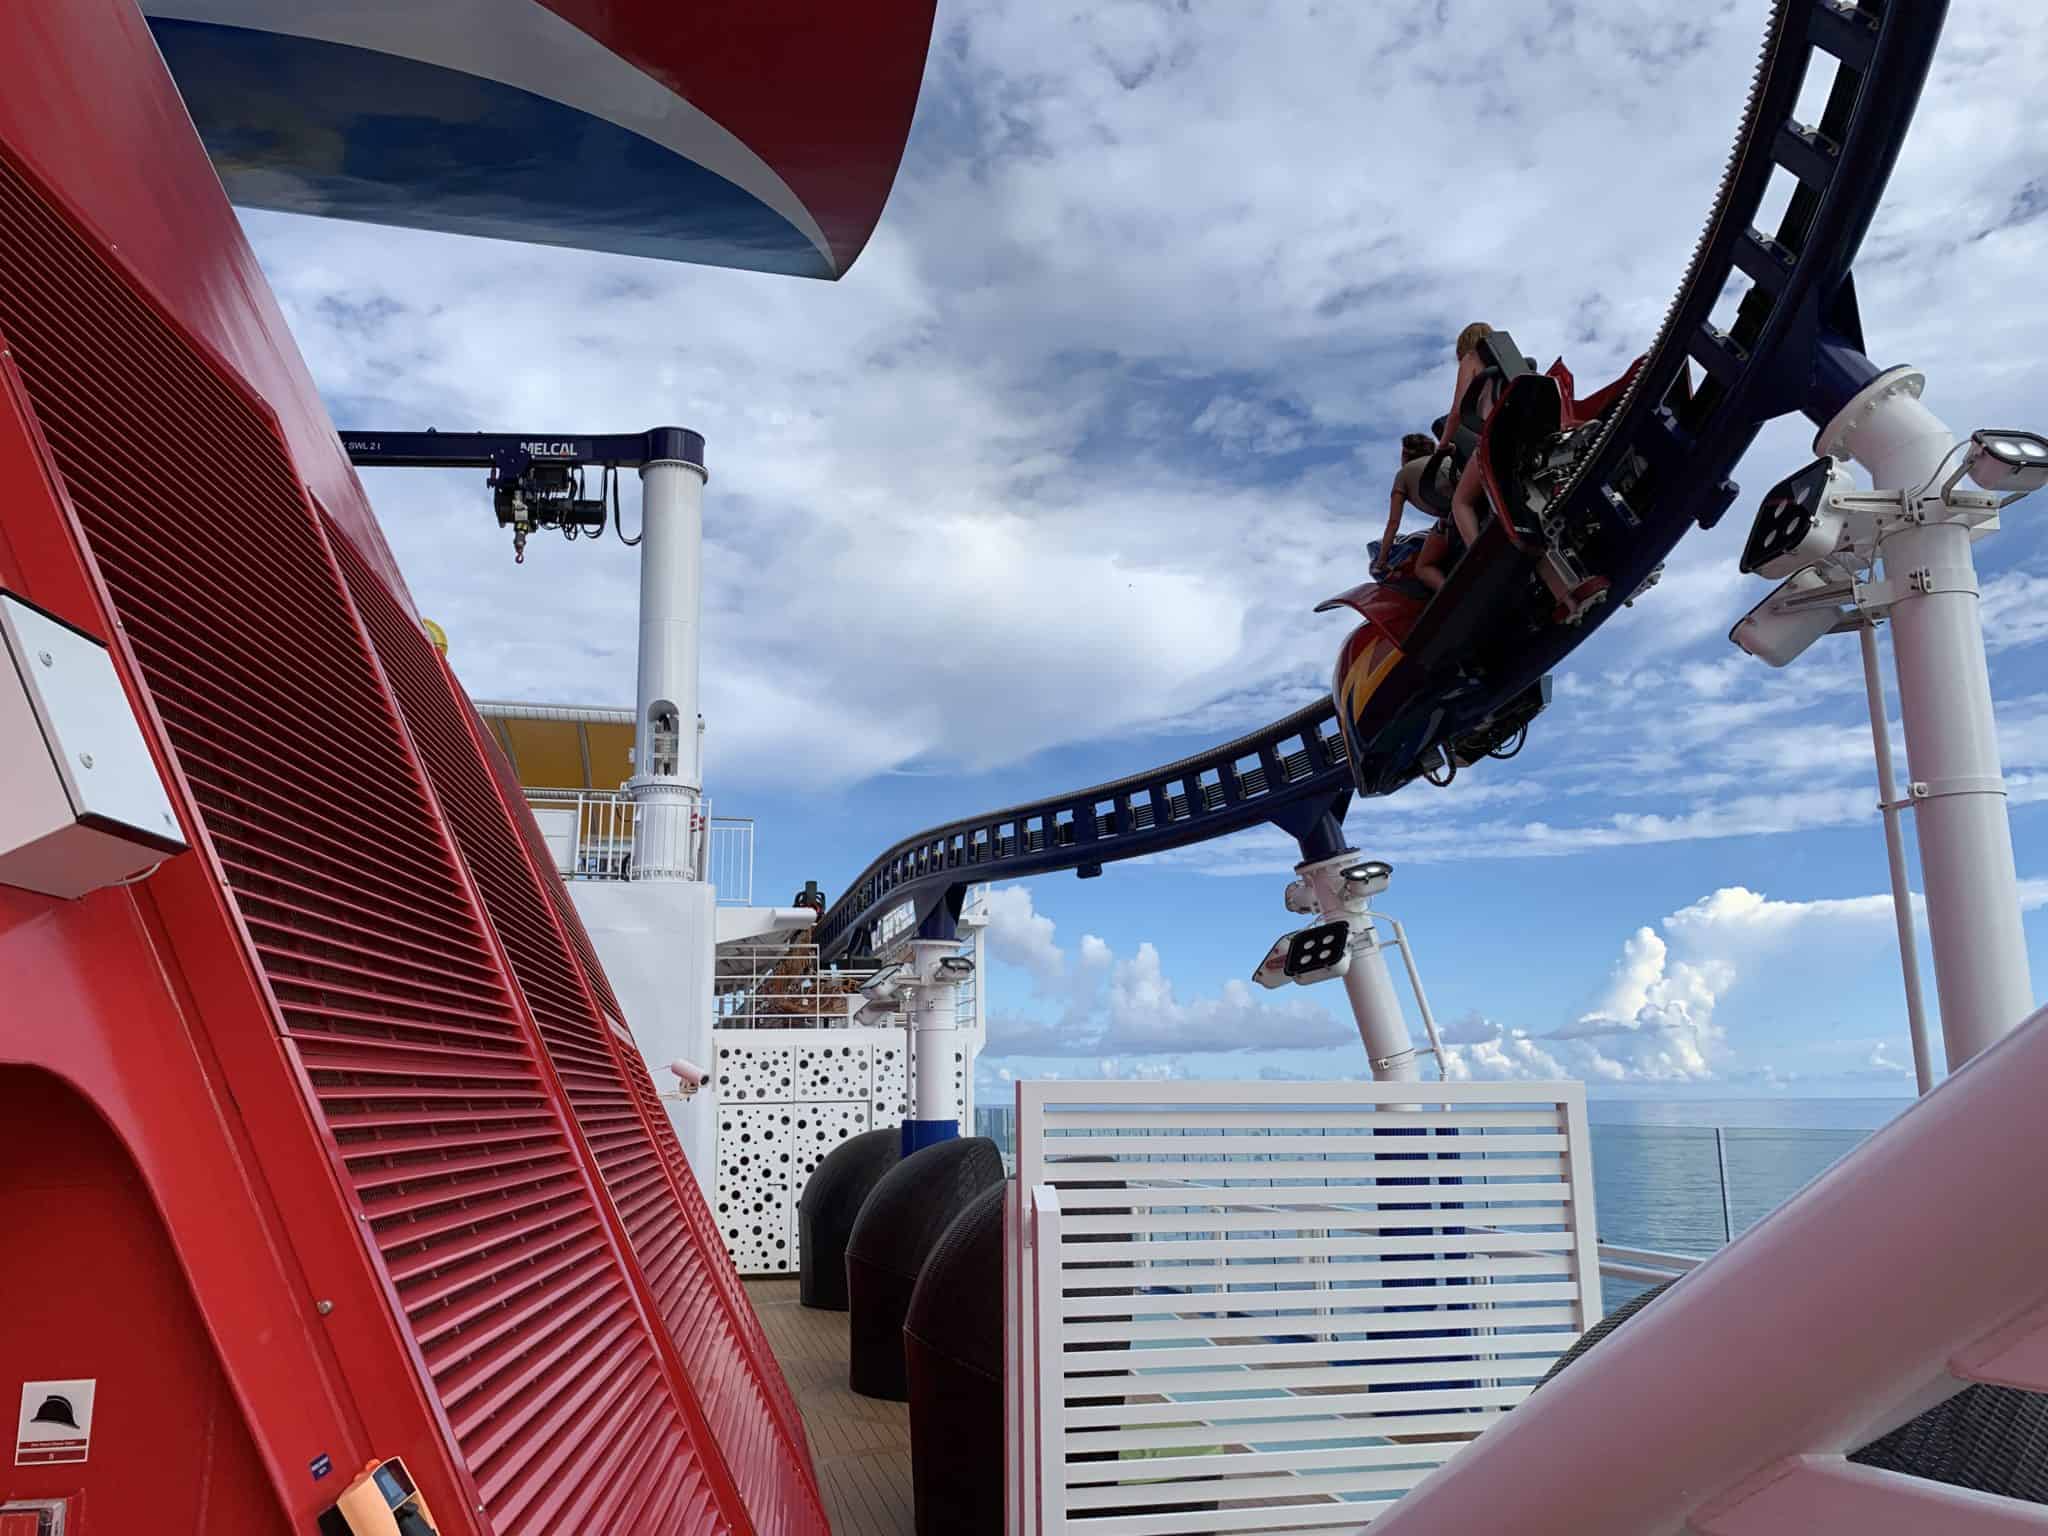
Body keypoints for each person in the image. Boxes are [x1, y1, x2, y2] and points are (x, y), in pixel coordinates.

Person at [1440, 320, 1609, 624]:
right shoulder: (1511, 358)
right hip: (1534, 435)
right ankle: (1570, 594)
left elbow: (1456, 412)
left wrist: (1441, 447)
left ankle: (1479, 557)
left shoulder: (1471, 359)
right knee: (1532, 517)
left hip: (1498, 442)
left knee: (1461, 502)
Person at [1379, 432, 1456, 591]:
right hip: (1478, 498)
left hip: (1452, 518)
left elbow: (1393, 523)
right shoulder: (1446, 458)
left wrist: (1381, 561)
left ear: (1404, 454)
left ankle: (1452, 594)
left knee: (1423, 567)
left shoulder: (1403, 474)